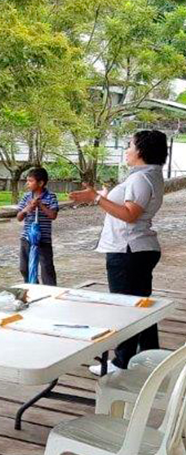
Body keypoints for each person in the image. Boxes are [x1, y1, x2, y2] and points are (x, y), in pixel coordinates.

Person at [71, 130, 168, 376]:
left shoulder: (140, 179)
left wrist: (96, 198)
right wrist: (104, 197)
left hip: (128, 251)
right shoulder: (148, 175)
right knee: (141, 306)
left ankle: (121, 363)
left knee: (125, 308)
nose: (126, 150)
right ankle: (149, 356)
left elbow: (129, 215)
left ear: (141, 151)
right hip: (137, 250)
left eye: (129, 146)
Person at [15, 166, 59, 286]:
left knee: (46, 267)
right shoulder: (26, 197)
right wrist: (28, 208)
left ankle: (51, 291)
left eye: (30, 181)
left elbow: (53, 215)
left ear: (41, 183)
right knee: (24, 267)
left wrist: (41, 205)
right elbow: (19, 217)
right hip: (27, 237)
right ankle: (32, 286)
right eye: (27, 181)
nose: (27, 184)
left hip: (43, 238)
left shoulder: (51, 197)